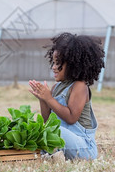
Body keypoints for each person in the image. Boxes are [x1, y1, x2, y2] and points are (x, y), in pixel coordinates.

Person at [28, 32, 104, 160]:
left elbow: (71, 118)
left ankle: (51, 154)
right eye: (53, 62)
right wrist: (43, 100)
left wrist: (49, 99)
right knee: (45, 129)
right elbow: (48, 121)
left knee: (57, 131)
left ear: (74, 65)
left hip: (83, 147)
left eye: (59, 64)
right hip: (64, 142)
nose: (54, 67)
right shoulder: (56, 88)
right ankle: (54, 155)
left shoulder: (79, 86)